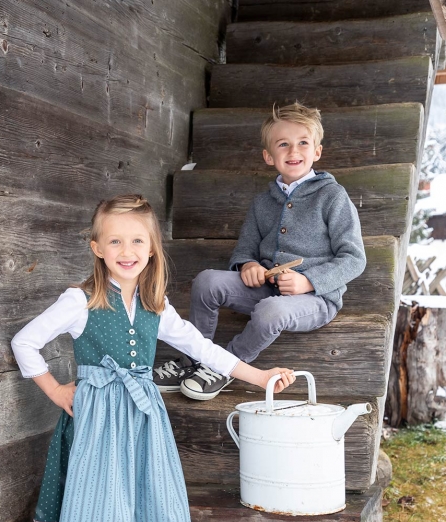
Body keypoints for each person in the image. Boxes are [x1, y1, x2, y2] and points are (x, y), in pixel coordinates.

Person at [11, 194, 295, 522]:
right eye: (116, 240)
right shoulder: (79, 301)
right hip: (98, 423)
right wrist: (58, 391)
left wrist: (261, 377)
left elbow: (204, 349)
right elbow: (26, 342)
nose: (127, 249)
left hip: (144, 421)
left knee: (148, 506)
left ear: (152, 248)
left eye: (137, 240)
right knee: (102, 513)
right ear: (97, 247)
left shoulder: (154, 305)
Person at [154, 102, 366, 400]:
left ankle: (225, 366)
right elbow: (245, 249)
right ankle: (193, 359)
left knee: (271, 310)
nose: (294, 151)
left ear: (317, 151)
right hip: (267, 288)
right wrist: (247, 265)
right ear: (269, 156)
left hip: (316, 300)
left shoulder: (332, 196)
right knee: (206, 281)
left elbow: (354, 259)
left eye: (303, 143)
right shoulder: (262, 203)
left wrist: (309, 282)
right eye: (283, 144)